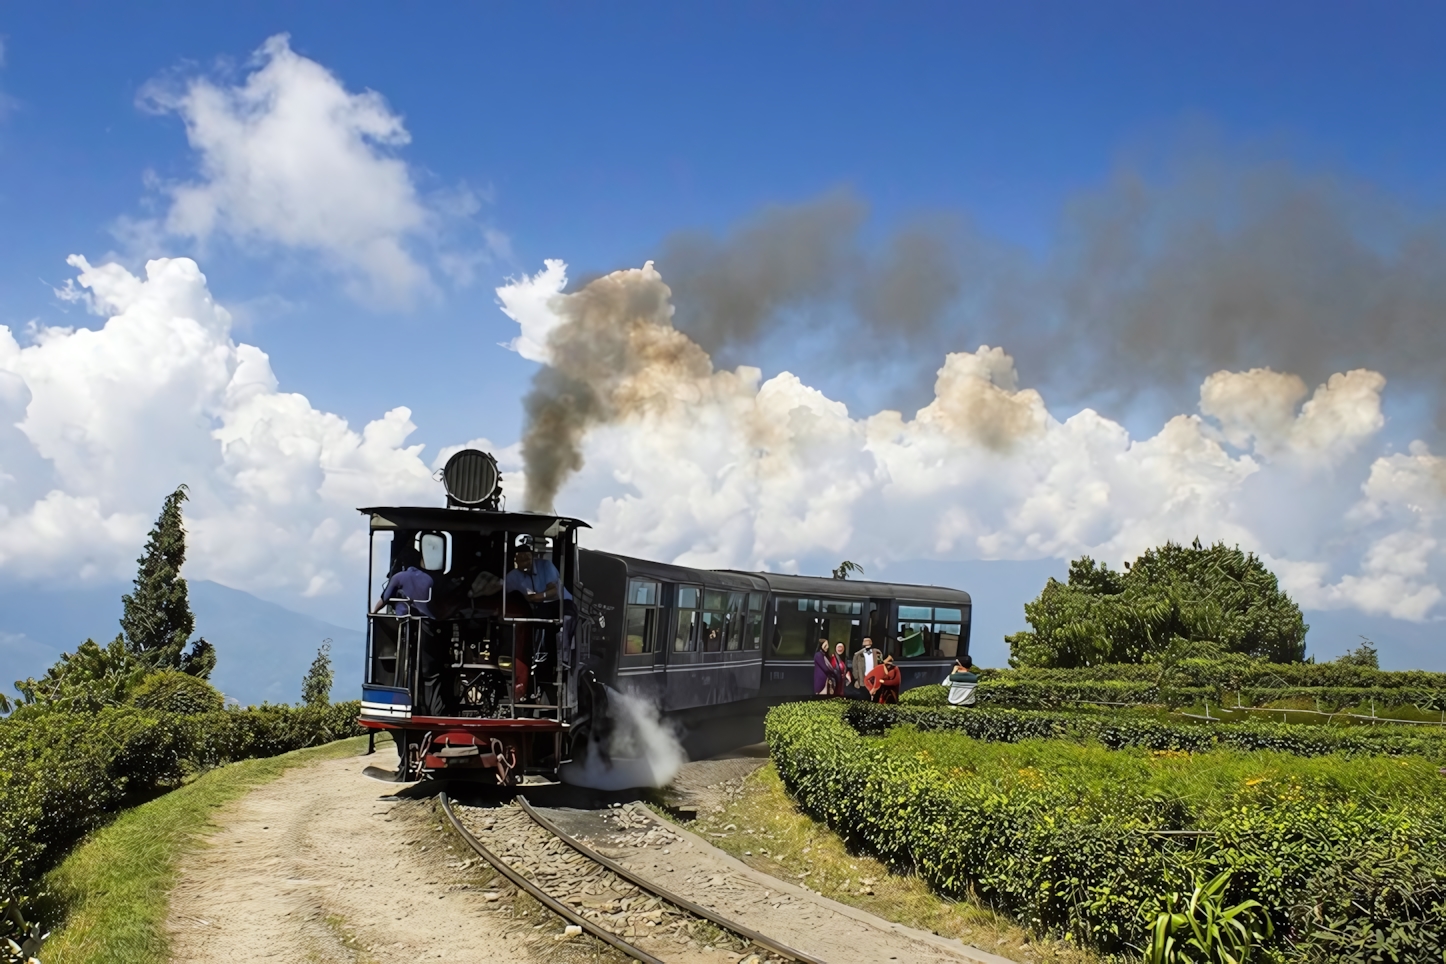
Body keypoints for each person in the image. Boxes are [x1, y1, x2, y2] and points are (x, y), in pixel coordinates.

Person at [373, 548, 444, 716]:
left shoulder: (399, 577)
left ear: (404, 562)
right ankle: (433, 710)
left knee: (406, 666)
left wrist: (373, 613)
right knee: (430, 672)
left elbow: (385, 597)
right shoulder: (430, 579)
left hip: (405, 628)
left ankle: (404, 704)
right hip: (428, 628)